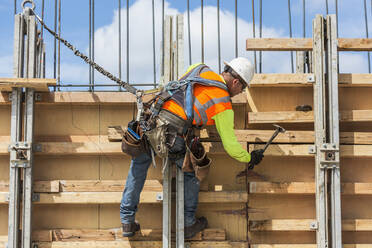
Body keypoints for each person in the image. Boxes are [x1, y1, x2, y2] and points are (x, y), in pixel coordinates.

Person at [120, 57, 264, 239]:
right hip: (173, 136)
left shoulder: (199, 68)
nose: (240, 92)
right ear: (236, 82)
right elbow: (231, 146)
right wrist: (250, 158)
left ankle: (127, 221)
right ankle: (188, 223)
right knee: (193, 170)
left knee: (138, 165)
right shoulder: (223, 104)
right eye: (242, 88)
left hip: (152, 121)